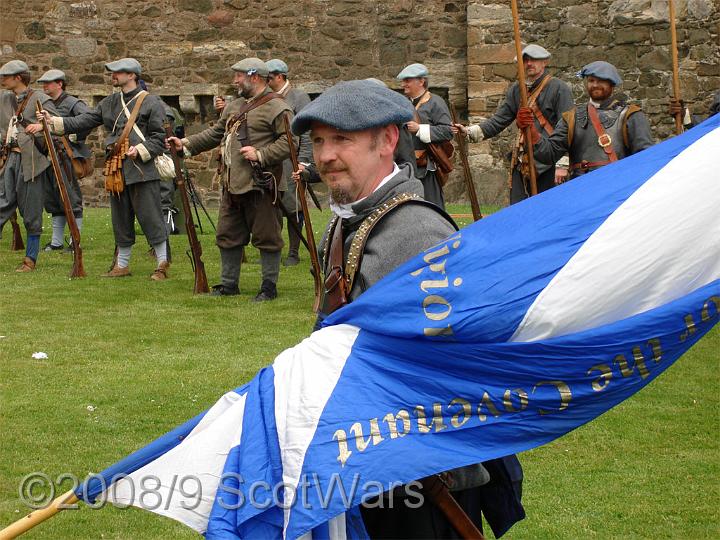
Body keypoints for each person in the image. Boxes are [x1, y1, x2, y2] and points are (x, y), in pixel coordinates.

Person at [292, 79, 525, 538]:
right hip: (370, 456)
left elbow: (449, 364)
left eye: (342, 139)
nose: (325, 156)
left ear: (388, 141)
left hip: (426, 474)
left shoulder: (417, 232)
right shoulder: (344, 224)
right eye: (318, 141)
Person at [168, 58, 292, 300]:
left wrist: (262, 154)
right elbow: (216, 133)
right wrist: (186, 144)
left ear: (254, 76)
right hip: (232, 183)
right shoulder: (234, 106)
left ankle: (268, 288)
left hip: (262, 184)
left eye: (239, 76)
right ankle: (228, 285)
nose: (234, 80)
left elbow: (290, 142)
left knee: (267, 237)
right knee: (227, 235)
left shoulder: (278, 108)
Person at [42, 58, 170, 280]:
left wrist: (140, 150)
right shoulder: (110, 102)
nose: (113, 75)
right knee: (120, 219)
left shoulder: (152, 102)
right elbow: (84, 120)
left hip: (141, 169)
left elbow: (160, 138)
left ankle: (161, 263)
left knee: (150, 217)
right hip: (116, 168)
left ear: (132, 75)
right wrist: (54, 121)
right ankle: (122, 265)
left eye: (118, 72)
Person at [452, 44, 574, 203]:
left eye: (534, 60)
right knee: (519, 212)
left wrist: (562, 164)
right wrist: (469, 131)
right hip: (523, 162)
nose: (529, 63)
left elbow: (567, 128)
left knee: (547, 214)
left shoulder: (559, 88)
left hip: (549, 164)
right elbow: (499, 120)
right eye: (525, 60)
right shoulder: (517, 89)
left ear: (545, 62)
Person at [522, 61, 654, 179]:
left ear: (612, 84)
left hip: (617, 185)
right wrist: (531, 131)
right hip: (581, 188)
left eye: (601, 81)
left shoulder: (631, 115)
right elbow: (549, 154)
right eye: (591, 81)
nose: (595, 85)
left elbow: (645, 157)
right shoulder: (571, 117)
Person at [0, 60, 58, 271]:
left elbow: (56, 124)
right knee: (1, 203)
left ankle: (30, 259)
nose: (2, 80)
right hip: (9, 160)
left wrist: (41, 125)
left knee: (31, 210)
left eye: (5, 77)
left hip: (32, 162)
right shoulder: (4, 99)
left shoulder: (41, 99)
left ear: (18, 78)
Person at [35, 69, 91, 252]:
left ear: (60, 84)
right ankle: (56, 242)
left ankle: (76, 241)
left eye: (49, 83)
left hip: (66, 156)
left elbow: (87, 121)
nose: (45, 86)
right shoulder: (44, 103)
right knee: (53, 200)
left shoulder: (73, 103)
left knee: (71, 198)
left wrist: (72, 138)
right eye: (43, 83)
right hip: (48, 157)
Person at [266, 58, 313, 267]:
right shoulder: (267, 98)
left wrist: (303, 161)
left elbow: (307, 131)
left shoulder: (298, 97)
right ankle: (275, 249)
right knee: (273, 209)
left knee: (294, 208)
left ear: (279, 76)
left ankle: (293, 252)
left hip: (292, 162)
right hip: (274, 161)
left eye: (268, 77)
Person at [396, 63, 453, 209]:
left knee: (433, 209)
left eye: (408, 80)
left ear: (421, 81)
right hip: (407, 168)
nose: (404, 84)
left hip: (426, 169)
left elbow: (447, 131)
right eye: (404, 81)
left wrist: (420, 129)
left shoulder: (435, 102)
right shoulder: (403, 104)